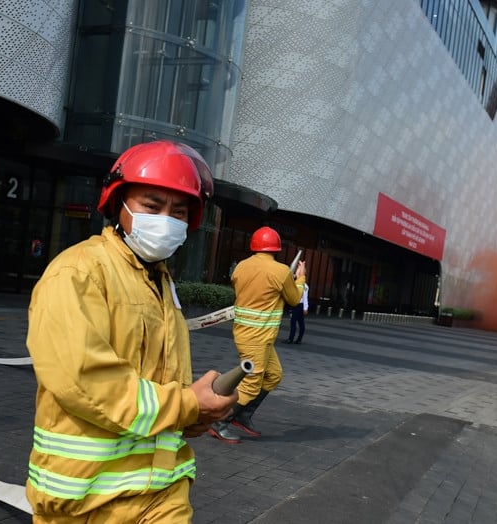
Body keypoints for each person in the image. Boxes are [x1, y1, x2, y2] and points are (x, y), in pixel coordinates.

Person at [24, 140, 240, 522]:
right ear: (118, 204)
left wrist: (195, 414)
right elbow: (85, 383)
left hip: (162, 493)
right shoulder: (78, 272)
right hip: (86, 502)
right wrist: (188, 404)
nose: (167, 220)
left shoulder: (160, 281)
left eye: (179, 211)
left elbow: (156, 383)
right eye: (152, 206)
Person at [210, 226, 306, 444]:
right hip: (258, 336)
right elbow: (294, 299)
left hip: (250, 334)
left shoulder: (241, 267)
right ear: (276, 248)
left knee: (274, 375)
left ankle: (243, 415)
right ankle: (221, 421)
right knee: (252, 383)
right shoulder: (280, 271)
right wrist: (300, 280)